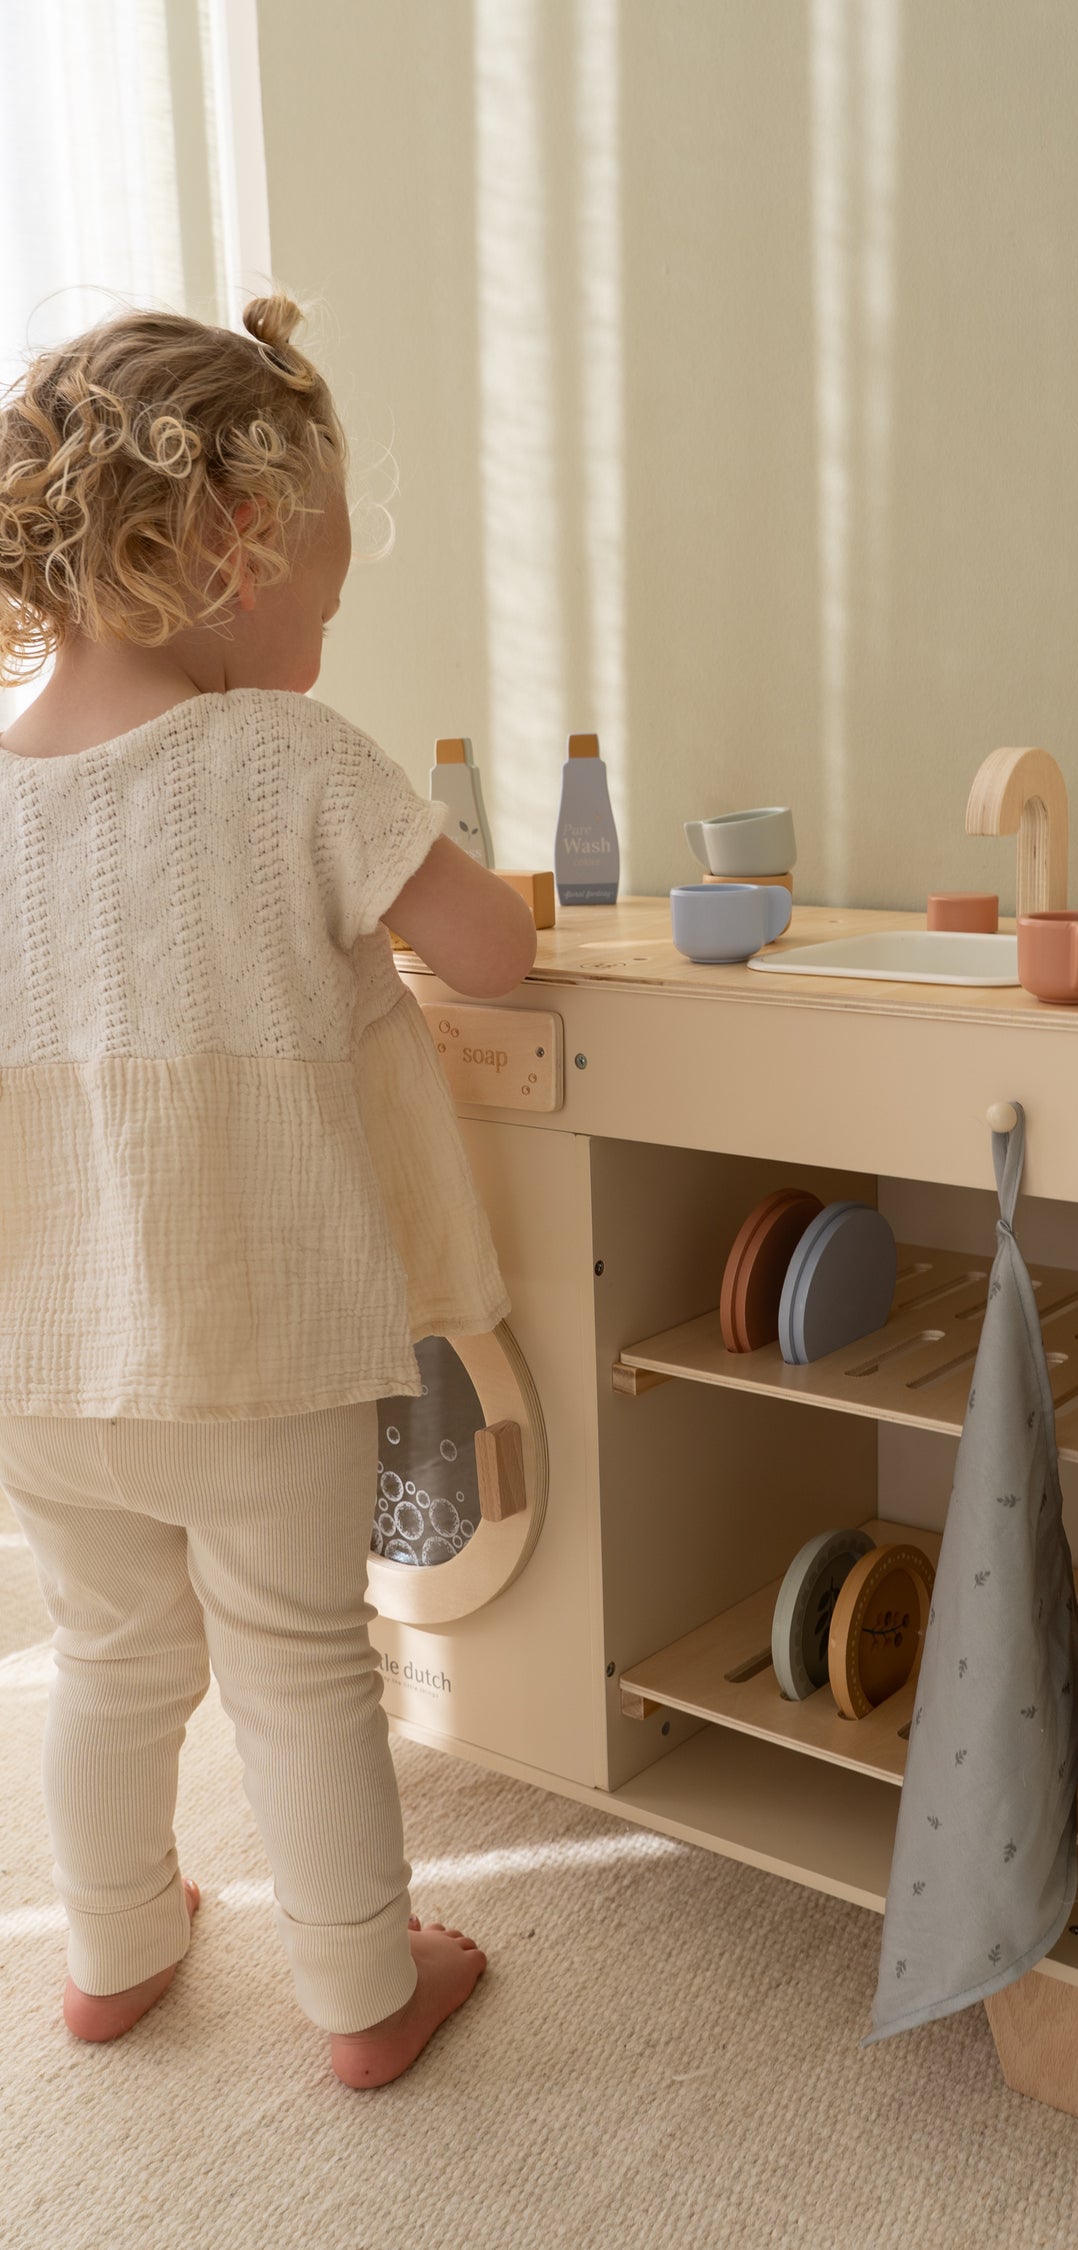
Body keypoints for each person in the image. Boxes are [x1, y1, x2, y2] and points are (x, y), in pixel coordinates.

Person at [0, 292, 536, 2086]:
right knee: (305, 1663)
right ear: (235, 546)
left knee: (108, 1654)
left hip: (41, 1355)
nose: (321, 615)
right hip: (260, 1337)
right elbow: (494, 947)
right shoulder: (286, 762)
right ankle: (366, 1993)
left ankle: (114, 1953)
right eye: (321, 580)